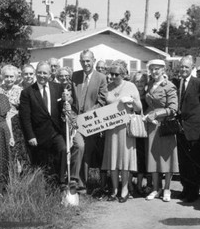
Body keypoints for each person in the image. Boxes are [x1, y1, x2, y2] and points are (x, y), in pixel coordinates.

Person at [19, 61, 68, 181]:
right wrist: (30, 136)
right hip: (39, 134)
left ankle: (61, 182)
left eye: (45, 73)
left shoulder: (58, 88)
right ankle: (46, 186)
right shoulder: (27, 92)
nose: (42, 75)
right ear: (36, 73)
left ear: (50, 74)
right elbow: (25, 117)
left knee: (62, 150)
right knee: (44, 162)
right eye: (39, 72)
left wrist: (68, 102)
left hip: (56, 132)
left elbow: (64, 108)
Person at [101, 63, 141, 202]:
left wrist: (132, 101)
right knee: (112, 158)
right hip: (111, 127)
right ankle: (114, 189)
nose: (112, 77)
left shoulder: (131, 86)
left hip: (125, 127)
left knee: (124, 159)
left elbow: (139, 107)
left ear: (123, 74)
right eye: (111, 74)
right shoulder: (108, 87)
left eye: (116, 74)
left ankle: (124, 189)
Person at [70, 49, 108, 189]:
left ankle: (82, 184)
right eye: (83, 61)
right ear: (80, 62)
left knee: (88, 152)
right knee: (79, 146)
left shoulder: (101, 78)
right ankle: (73, 179)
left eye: (88, 60)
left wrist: (88, 116)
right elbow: (71, 98)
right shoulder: (75, 76)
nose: (85, 63)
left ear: (93, 60)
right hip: (76, 120)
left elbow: (102, 100)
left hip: (92, 120)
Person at [176, 55, 200, 203]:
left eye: (186, 67)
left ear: (192, 68)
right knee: (183, 162)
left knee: (195, 162)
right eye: (181, 66)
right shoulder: (176, 82)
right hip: (180, 128)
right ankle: (185, 188)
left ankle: (193, 191)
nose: (183, 69)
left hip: (196, 129)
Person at [144, 59, 179, 202]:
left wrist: (156, 114)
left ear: (163, 70)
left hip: (164, 126)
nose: (154, 72)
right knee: (153, 157)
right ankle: (155, 188)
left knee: (166, 158)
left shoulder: (169, 86)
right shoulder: (150, 84)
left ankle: (167, 188)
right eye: (151, 69)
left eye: (157, 69)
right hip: (151, 126)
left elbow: (173, 109)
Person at [131, 71, 150, 194]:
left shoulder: (149, 97)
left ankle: (139, 184)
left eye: (142, 81)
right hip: (133, 130)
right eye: (137, 81)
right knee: (133, 156)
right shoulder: (131, 96)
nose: (140, 84)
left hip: (145, 130)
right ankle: (131, 185)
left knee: (143, 157)